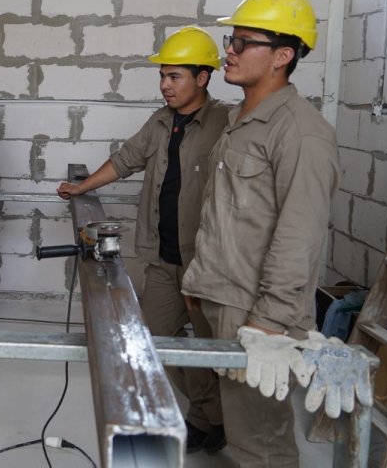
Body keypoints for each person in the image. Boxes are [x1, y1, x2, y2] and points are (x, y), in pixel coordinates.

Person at [181, 0, 340, 467]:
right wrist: (200, 284)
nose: (229, 51)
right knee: (235, 417)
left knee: (261, 443)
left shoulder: (302, 132)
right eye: (231, 40)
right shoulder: (240, 120)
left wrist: (268, 323)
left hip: (257, 314)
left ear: (282, 56)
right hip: (220, 296)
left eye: (243, 42)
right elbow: (228, 214)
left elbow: (300, 236)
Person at [56, 26, 230, 454]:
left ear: (202, 77)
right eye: (163, 76)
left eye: (175, 77)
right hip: (164, 261)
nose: (165, 85)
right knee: (152, 340)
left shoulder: (226, 123)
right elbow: (125, 160)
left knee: (210, 348)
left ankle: (212, 422)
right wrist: (80, 188)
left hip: (206, 264)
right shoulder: (160, 121)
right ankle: (207, 415)